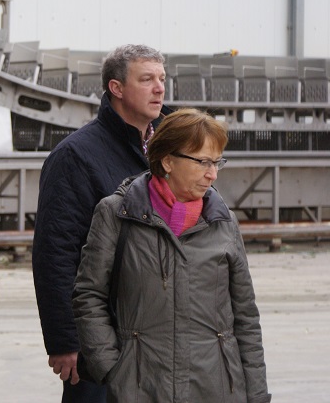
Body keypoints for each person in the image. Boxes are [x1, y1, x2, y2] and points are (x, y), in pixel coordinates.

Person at [73, 108, 271, 402]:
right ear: (167, 161)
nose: (212, 174)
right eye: (203, 161)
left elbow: (245, 317)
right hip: (140, 388)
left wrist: (256, 394)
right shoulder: (116, 214)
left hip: (216, 388)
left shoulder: (224, 222)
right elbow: (89, 296)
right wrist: (113, 369)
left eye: (217, 162)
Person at [33, 44, 168, 402]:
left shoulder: (170, 151)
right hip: (100, 338)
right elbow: (55, 253)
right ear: (116, 88)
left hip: (159, 334)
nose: (159, 88)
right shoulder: (75, 156)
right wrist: (65, 340)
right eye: (146, 79)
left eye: (161, 79)